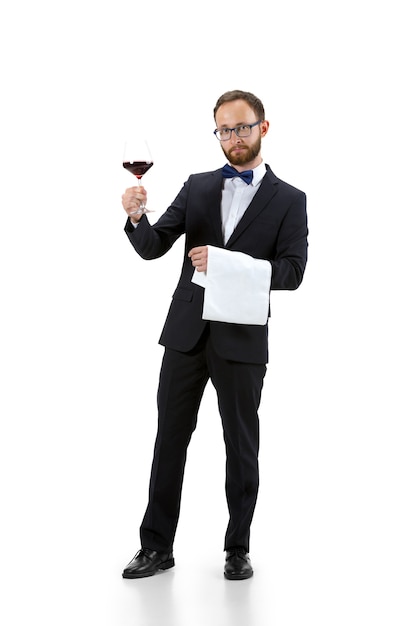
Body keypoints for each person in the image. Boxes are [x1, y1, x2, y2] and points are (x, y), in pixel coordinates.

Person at [121, 90, 308, 580]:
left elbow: (292, 272)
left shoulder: (290, 200)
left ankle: (238, 548)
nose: (233, 138)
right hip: (186, 333)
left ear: (263, 128)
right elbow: (154, 247)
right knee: (169, 441)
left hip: (242, 340)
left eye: (242, 128)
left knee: (241, 444)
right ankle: (156, 546)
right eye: (224, 129)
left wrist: (227, 266)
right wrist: (137, 218)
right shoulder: (199, 185)